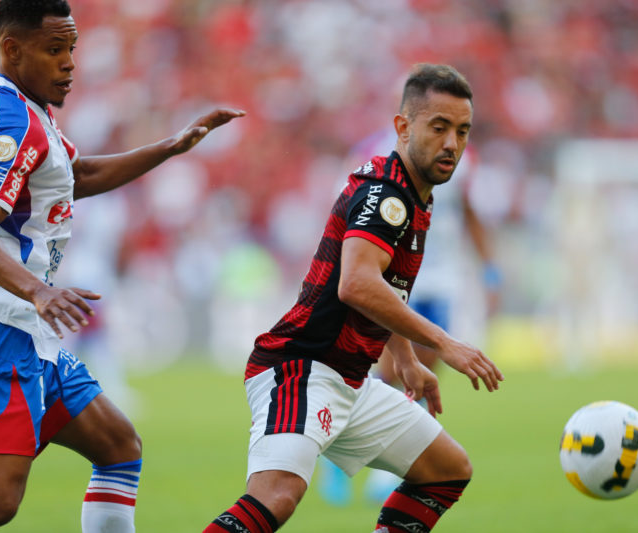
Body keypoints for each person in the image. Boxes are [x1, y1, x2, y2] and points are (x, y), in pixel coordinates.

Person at [0, 1, 245, 532]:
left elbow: (75, 177)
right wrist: (38, 291)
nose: (69, 64)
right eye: (54, 50)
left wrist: (170, 148)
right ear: (12, 50)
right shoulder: (16, 120)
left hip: (23, 329)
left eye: (72, 50)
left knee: (118, 446)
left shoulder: (30, 113)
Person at [204, 63, 503, 533]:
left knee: (446, 471)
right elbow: (356, 284)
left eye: (462, 131)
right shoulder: (390, 195)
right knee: (277, 495)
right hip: (301, 368)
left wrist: (403, 357)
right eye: (439, 127)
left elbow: (381, 287)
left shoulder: (414, 195)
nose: (452, 144)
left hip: (350, 378)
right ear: (403, 126)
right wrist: (446, 344)